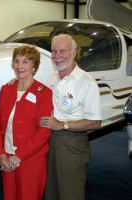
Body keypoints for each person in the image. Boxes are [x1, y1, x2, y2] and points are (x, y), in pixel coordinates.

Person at [39, 34, 102, 200]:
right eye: (54, 51)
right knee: (51, 191)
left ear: (74, 53)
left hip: (72, 144)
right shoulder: (52, 77)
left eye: (62, 51)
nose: (57, 56)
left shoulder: (86, 82)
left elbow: (95, 122)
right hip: (49, 141)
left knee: (70, 193)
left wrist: (62, 125)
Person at [0, 44, 53, 200]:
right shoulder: (7, 89)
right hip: (7, 157)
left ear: (34, 66)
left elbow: (43, 132)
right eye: (17, 61)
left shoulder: (44, 93)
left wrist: (19, 156)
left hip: (30, 160)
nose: (20, 66)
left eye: (25, 62)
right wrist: (0, 154)